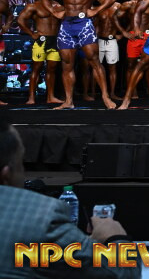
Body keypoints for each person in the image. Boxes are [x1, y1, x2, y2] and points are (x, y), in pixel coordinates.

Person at [0, 116, 139, 278]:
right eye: (21, 163)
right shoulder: (41, 219)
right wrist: (116, 238)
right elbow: (123, 274)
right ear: (6, 174)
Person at [40, 0, 117, 110]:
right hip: (67, 25)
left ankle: (105, 97)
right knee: (67, 64)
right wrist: (54, 12)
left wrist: (97, 10)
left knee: (94, 61)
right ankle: (68, 101)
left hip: (84, 25)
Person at [17, 0, 64, 105]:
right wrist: (31, 33)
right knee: (36, 69)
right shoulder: (34, 6)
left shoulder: (58, 6)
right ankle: (31, 98)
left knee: (52, 69)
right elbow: (20, 20)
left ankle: (50, 97)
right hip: (40, 41)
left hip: (54, 41)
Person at [115, 0, 149, 99]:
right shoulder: (130, 4)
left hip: (148, 37)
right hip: (134, 37)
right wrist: (124, 32)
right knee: (131, 65)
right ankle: (132, 92)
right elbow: (114, 16)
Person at [92, 1, 122, 100]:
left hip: (112, 41)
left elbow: (128, 19)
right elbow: (95, 25)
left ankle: (112, 93)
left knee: (112, 67)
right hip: (100, 40)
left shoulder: (118, 6)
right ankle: (94, 93)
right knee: (96, 66)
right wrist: (94, 40)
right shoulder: (99, 9)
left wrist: (122, 34)